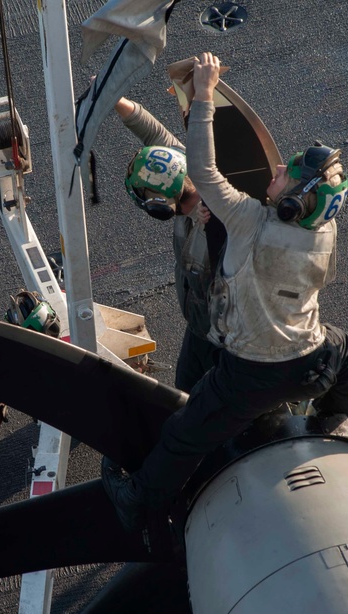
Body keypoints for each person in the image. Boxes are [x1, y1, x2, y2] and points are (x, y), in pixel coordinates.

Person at [103, 53, 348, 532]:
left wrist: (204, 94)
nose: (278, 171)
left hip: (248, 371)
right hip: (313, 357)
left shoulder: (245, 222)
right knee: (345, 355)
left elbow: (202, 169)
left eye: (287, 175)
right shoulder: (323, 232)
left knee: (185, 437)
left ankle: (138, 503)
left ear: (292, 202)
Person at [116, 96, 221, 392]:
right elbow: (155, 135)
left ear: (161, 207)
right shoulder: (185, 171)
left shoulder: (225, 222)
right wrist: (116, 101)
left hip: (229, 341)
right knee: (184, 388)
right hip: (199, 327)